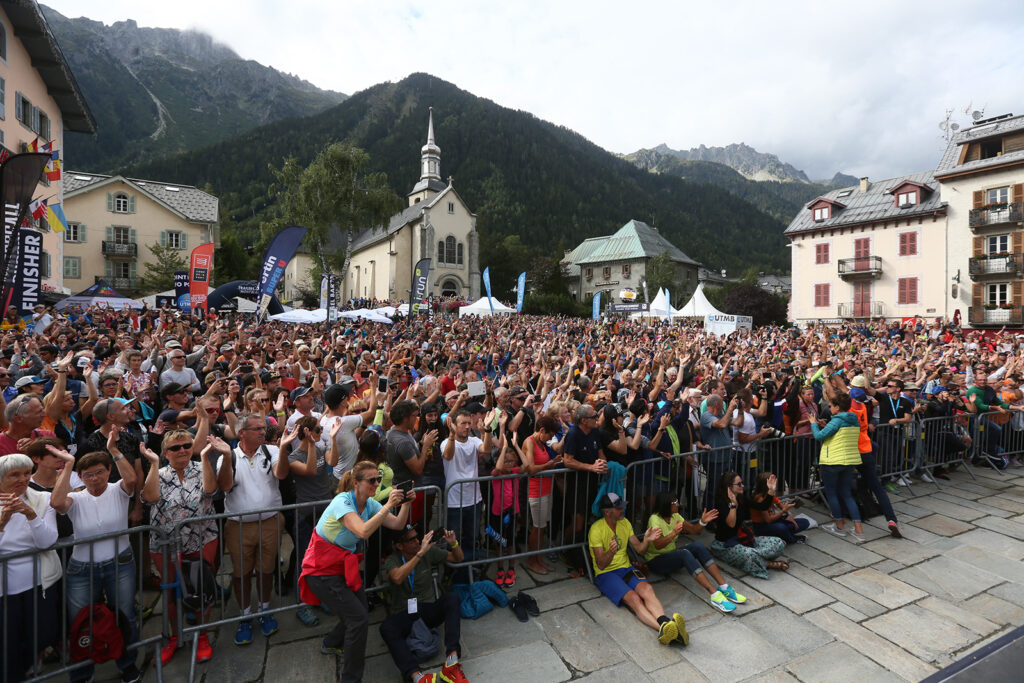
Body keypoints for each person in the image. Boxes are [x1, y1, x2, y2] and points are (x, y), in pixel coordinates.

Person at [299, 461, 411, 683]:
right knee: (358, 619)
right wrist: (388, 505)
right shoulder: (342, 501)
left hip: (342, 568)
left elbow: (398, 525)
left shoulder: (368, 503)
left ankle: (330, 643)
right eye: (371, 480)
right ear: (356, 483)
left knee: (358, 612)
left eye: (378, 479)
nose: (376, 484)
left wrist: (406, 503)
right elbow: (362, 531)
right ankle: (350, 679)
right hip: (320, 571)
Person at [49, 435, 141, 683]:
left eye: (99, 472)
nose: (94, 478)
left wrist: (113, 449)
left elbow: (131, 479)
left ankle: (128, 664)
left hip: (120, 564)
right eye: (87, 474)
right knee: (80, 623)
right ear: (81, 477)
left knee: (125, 615)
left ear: (108, 470)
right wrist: (68, 466)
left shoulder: (118, 490)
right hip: (82, 569)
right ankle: (81, 673)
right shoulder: (77, 498)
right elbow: (56, 502)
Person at [141, 430, 224, 665]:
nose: (182, 451)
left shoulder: (201, 468)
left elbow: (210, 492)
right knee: (170, 592)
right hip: (164, 544)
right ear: (166, 452)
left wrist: (206, 458)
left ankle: (203, 635)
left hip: (202, 538)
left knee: (200, 588)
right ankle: (175, 637)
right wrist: (154, 465)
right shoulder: (159, 472)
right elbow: (149, 498)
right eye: (175, 448)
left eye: (187, 445)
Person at [216, 413, 291, 646]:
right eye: (257, 429)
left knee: (266, 570)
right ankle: (245, 615)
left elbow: (281, 474)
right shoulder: (227, 457)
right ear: (242, 433)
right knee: (241, 573)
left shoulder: (273, 451)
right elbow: (226, 486)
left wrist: (285, 448)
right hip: (238, 526)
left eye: (263, 428)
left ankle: (265, 609)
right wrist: (227, 456)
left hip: (270, 522)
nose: (263, 432)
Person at [589, 492, 687, 646]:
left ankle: (667, 625)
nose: (623, 510)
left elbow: (640, 550)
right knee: (634, 598)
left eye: (622, 507)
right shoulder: (596, 530)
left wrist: (647, 540)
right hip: (606, 574)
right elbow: (601, 564)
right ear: (607, 512)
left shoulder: (625, 523)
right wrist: (610, 553)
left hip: (626, 568)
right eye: (618, 508)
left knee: (647, 589)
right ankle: (665, 628)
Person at [0, 452, 60, 683]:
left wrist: (32, 515)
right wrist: (3, 521)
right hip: (5, 589)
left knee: (44, 634)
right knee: (8, 643)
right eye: (14, 475)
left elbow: (47, 541)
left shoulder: (42, 499)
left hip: (39, 581)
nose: (22, 479)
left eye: (26, 473)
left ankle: (24, 668)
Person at [380, 527, 468, 683]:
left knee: (452, 598)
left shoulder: (427, 551)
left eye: (417, 537)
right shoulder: (393, 560)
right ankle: (417, 677)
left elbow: (458, 558)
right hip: (404, 612)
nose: (417, 541)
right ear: (400, 546)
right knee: (386, 627)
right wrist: (420, 554)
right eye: (411, 539)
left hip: (427, 609)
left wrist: (453, 544)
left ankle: (451, 662)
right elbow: (397, 577)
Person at [643, 491, 744, 613]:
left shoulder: (676, 516)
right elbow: (658, 545)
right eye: (675, 502)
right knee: (684, 553)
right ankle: (714, 594)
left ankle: (724, 587)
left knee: (697, 546)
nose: (678, 504)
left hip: (671, 555)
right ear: (666, 504)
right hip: (656, 560)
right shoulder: (655, 519)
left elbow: (694, 530)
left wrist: (703, 522)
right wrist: (674, 533)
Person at [709, 471, 787, 579]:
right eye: (739, 484)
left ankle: (758, 559)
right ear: (729, 487)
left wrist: (771, 490)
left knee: (778, 543)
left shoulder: (742, 498)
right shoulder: (721, 503)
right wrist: (733, 505)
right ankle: (767, 563)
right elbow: (731, 524)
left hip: (743, 539)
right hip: (726, 545)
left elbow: (762, 506)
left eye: (742, 483)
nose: (743, 486)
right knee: (749, 554)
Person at [441, 410, 493, 562]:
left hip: (474, 499)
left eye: (469, 423)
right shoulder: (447, 442)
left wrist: (487, 429)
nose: (467, 427)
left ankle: (470, 567)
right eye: (463, 423)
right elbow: (448, 456)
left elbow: (487, 449)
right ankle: (452, 571)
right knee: (453, 538)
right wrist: (451, 435)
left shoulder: (474, 441)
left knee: (473, 535)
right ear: (454, 426)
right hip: (454, 501)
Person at [811, 393, 865, 539]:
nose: (829, 409)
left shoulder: (837, 420)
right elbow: (838, 433)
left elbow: (818, 436)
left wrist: (814, 424)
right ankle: (859, 530)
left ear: (837, 407)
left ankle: (840, 526)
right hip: (848, 461)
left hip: (833, 461)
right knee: (847, 494)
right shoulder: (853, 419)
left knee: (832, 494)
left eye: (830, 406)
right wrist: (826, 426)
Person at [519, 415, 562, 574]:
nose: (550, 439)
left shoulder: (540, 443)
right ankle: (532, 560)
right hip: (536, 490)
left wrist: (552, 463)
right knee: (537, 527)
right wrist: (550, 464)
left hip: (546, 488)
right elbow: (530, 468)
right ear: (542, 430)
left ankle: (538, 558)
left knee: (542, 527)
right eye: (550, 435)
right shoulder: (529, 441)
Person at [749, 472, 810, 544]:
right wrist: (782, 512)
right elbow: (768, 520)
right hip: (762, 527)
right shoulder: (759, 499)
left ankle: (782, 535)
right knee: (782, 527)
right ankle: (792, 539)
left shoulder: (770, 494)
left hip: (774, 521)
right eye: (774, 483)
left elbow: (781, 506)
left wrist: (790, 516)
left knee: (805, 522)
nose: (776, 485)